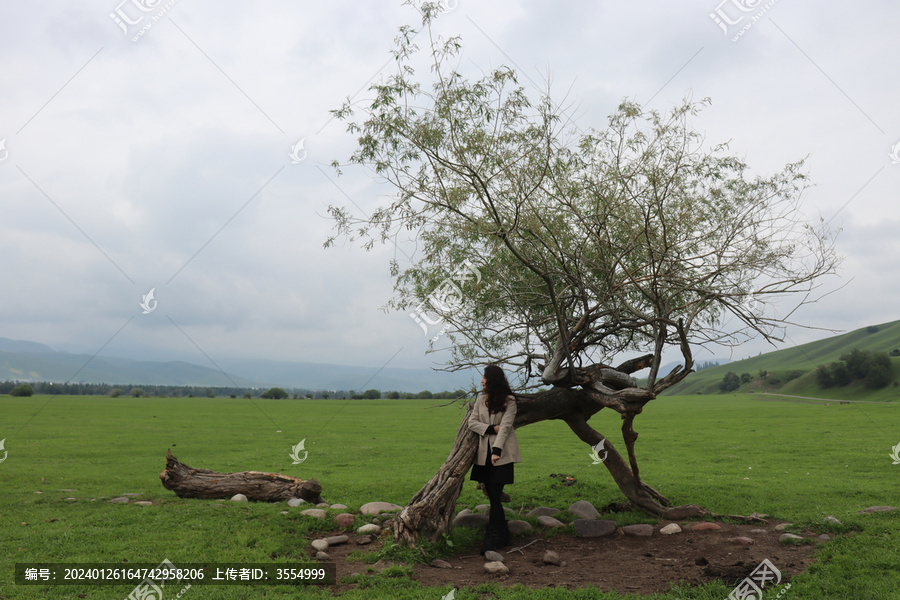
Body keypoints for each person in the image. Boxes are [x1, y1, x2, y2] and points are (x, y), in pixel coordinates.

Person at [467, 364, 521, 554]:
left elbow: (505, 427)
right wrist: (491, 428)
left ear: (493, 380)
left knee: (496, 496)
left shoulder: (510, 401)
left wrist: (497, 450)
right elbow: (471, 423)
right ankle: (504, 534)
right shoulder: (481, 400)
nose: (482, 380)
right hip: (483, 455)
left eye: (484, 377)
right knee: (492, 496)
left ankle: (491, 537)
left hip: (502, 455)